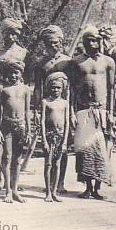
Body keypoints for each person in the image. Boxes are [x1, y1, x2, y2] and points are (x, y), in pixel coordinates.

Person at [68, 25, 115, 200]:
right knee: (84, 150)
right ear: (84, 43)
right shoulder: (76, 62)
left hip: (101, 110)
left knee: (101, 151)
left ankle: (97, 187)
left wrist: (111, 112)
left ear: (100, 41)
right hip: (83, 110)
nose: (91, 44)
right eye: (88, 41)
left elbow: (111, 89)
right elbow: (72, 89)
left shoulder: (108, 62)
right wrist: (72, 112)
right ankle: (87, 187)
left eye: (94, 40)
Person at [29, 25, 72, 194]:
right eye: (48, 43)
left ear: (61, 43)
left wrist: (72, 111)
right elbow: (38, 87)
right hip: (47, 107)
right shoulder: (41, 64)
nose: (52, 46)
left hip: (63, 107)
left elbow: (71, 89)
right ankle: (48, 184)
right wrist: (36, 109)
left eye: (55, 43)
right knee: (47, 146)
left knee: (63, 145)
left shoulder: (68, 62)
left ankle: (60, 182)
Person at [0, 18, 28, 190]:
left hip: (16, 93)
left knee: (15, 148)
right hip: (0, 91)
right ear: (3, 34)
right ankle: (1, 177)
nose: (11, 36)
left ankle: (13, 182)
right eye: (8, 33)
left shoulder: (22, 52)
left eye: (14, 33)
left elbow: (23, 74)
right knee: (1, 143)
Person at [0, 58, 31, 203]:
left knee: (17, 159)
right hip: (6, 124)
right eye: (10, 73)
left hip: (21, 125)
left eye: (16, 72)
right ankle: (8, 190)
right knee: (7, 156)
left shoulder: (26, 89)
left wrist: (29, 130)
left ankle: (15, 189)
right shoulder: (2, 88)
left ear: (20, 73)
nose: (13, 76)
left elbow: (28, 111)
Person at [41, 72, 69, 203]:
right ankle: (47, 192)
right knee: (48, 164)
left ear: (62, 88)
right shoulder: (45, 102)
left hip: (61, 136)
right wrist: (44, 141)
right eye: (53, 87)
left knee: (57, 164)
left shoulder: (65, 103)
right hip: (49, 136)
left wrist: (64, 142)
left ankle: (54, 191)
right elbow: (41, 122)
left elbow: (67, 123)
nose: (55, 90)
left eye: (58, 87)